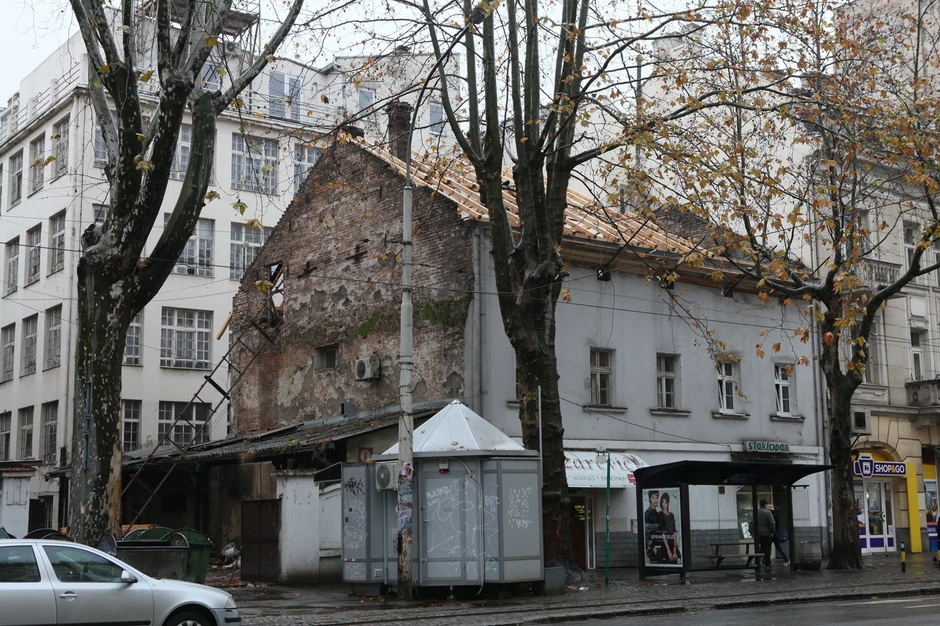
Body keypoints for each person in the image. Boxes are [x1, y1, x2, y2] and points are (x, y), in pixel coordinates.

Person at [659, 492, 680, 563]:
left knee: (676, 561)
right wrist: (668, 551)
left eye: (665, 502)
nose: (664, 504)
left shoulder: (671, 515)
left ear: (668, 503)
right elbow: (662, 534)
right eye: (662, 502)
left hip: (673, 544)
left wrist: (675, 550)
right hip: (665, 545)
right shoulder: (660, 514)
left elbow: (675, 533)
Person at [757, 499, 776, 567]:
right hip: (767, 534)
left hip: (759, 534)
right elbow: (772, 523)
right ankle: (767, 563)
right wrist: (772, 531)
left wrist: (752, 532)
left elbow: (751, 523)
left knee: (761, 548)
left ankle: (757, 561)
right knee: (767, 549)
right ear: (765, 505)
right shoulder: (768, 513)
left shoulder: (756, 512)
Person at [644, 490, 662, 562]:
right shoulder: (648, 513)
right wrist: (651, 546)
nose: (655, 500)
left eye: (656, 497)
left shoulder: (656, 513)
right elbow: (646, 532)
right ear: (649, 499)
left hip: (657, 543)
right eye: (653, 497)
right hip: (653, 546)